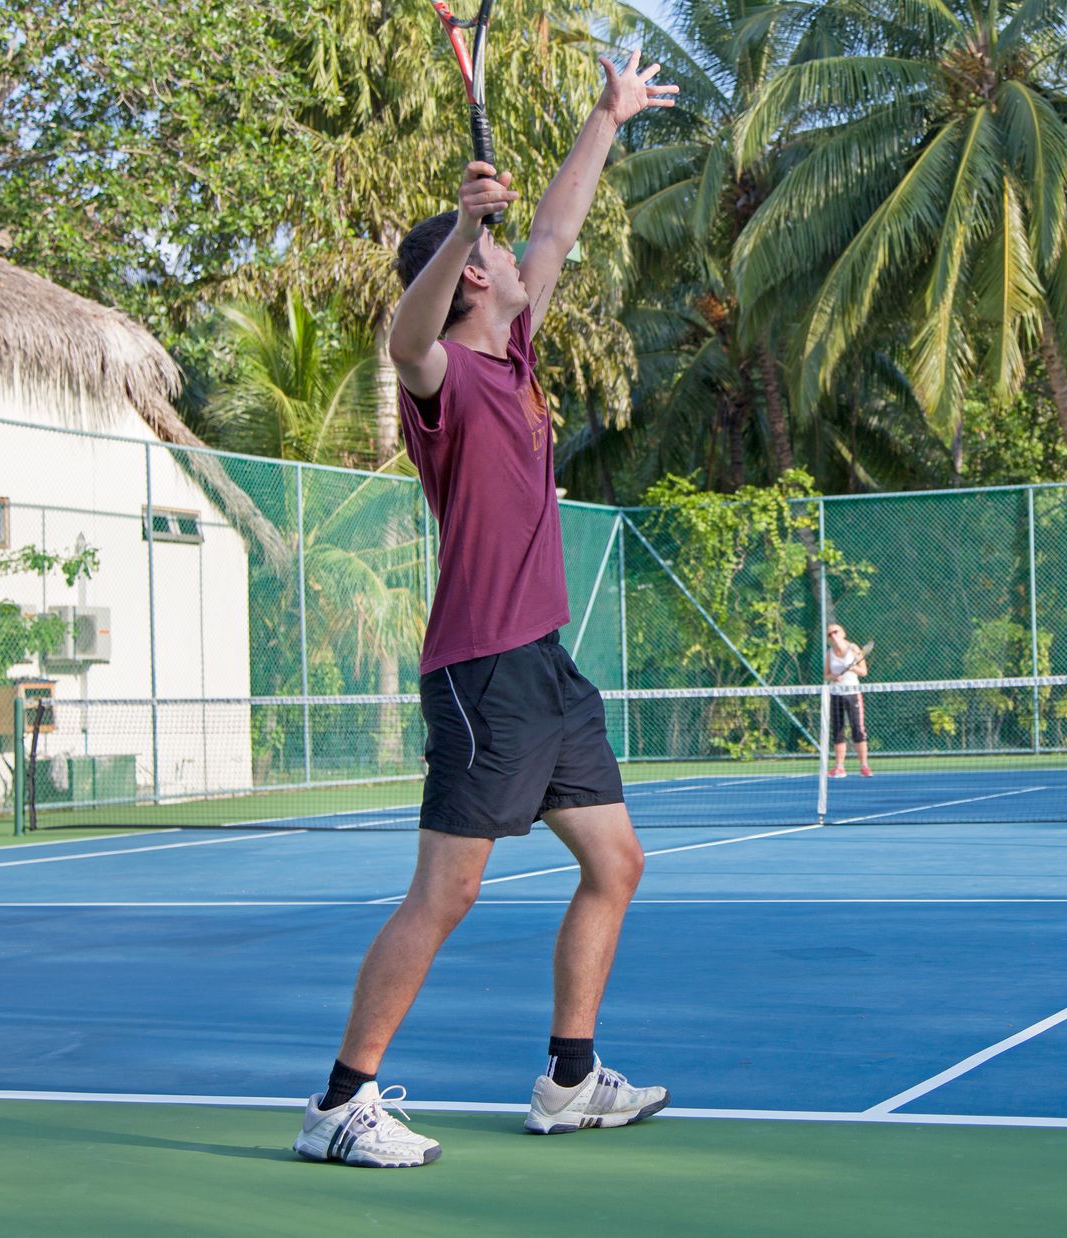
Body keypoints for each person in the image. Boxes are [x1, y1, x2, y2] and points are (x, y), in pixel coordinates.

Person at [293, 52, 678, 1170]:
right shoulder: (446, 383)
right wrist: (463, 231)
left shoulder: (512, 360)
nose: (520, 259)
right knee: (446, 890)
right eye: (497, 256)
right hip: (481, 671)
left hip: (545, 671)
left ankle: (568, 1079)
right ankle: (340, 1103)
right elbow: (404, 341)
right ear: (470, 278)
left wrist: (606, 119)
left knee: (615, 862)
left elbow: (553, 229)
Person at [826, 624, 873, 778]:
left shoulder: (853, 649)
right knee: (838, 730)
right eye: (830, 634)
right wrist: (834, 677)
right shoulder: (830, 653)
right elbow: (826, 675)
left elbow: (864, 672)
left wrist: (852, 669)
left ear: (843, 633)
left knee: (858, 729)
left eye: (836, 632)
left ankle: (864, 766)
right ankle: (839, 767)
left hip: (853, 693)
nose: (833, 635)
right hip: (836, 694)